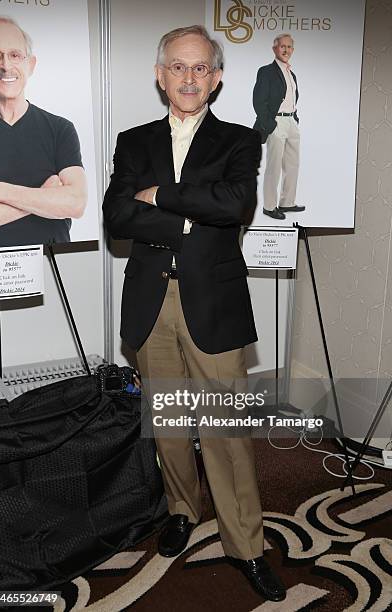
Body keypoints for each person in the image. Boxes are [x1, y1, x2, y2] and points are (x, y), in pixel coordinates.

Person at [103, 25, 286, 603]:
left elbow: (235, 205)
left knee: (226, 431)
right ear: (160, 76)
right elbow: (116, 217)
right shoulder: (133, 142)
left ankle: (247, 545)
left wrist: (159, 196)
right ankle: (182, 509)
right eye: (177, 68)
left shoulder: (239, 140)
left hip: (213, 301)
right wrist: (188, 216)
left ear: (217, 77)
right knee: (171, 423)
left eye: (200, 68)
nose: (188, 78)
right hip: (150, 302)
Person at [0, 15, 87, 248]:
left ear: (31, 65)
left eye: (15, 55)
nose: (5, 65)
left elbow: (75, 203)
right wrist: (45, 197)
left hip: (51, 269)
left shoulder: (60, 129)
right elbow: (63, 201)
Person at [253, 34, 305, 220]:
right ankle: (269, 206)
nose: (286, 50)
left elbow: (292, 99)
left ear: (292, 50)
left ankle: (287, 202)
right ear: (275, 49)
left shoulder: (292, 74)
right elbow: (259, 101)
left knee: (293, 164)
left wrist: (295, 118)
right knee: (274, 166)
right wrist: (270, 124)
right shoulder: (266, 71)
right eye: (282, 46)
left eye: (289, 47)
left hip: (291, 121)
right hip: (276, 122)